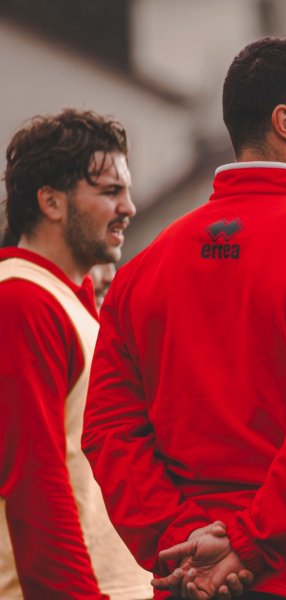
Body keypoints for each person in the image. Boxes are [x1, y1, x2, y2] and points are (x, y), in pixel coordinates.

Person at [81, 37, 286, 600]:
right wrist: (248, 542)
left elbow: (109, 433)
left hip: (189, 579)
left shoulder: (144, 268)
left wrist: (179, 540)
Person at [0, 109, 151, 598]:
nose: (129, 207)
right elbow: (34, 481)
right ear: (50, 202)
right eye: (110, 192)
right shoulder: (21, 301)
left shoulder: (66, 302)